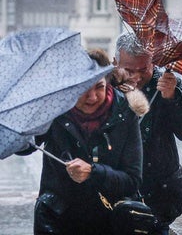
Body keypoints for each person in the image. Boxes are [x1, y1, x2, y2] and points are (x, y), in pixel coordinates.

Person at [18, 48, 144, 235]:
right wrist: (27, 114)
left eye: (99, 87)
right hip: (58, 221)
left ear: (107, 82)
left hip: (109, 222)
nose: (92, 97)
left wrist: (94, 173)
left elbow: (132, 181)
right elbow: (23, 146)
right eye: (83, 89)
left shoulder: (125, 114)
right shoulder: (54, 109)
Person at [113, 32, 182, 234]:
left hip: (160, 192)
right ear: (114, 63)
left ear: (153, 63)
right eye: (128, 70)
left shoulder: (167, 83)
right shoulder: (105, 88)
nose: (136, 77)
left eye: (143, 69)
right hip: (117, 190)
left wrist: (173, 98)